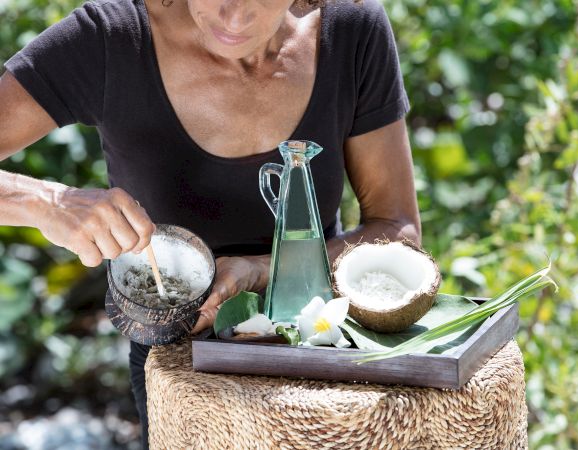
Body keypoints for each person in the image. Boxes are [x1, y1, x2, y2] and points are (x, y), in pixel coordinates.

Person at [0, 0, 420, 447]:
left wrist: (260, 272)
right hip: (179, 376)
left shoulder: (352, 31)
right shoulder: (108, 38)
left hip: (319, 353)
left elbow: (397, 230)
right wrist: (46, 202)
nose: (234, 18)